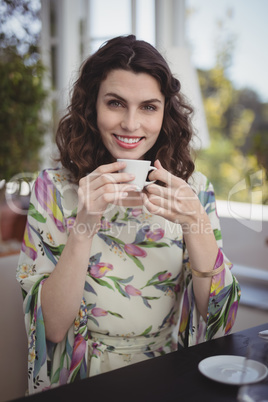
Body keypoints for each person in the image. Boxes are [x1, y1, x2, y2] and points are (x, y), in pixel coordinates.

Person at [16, 34, 240, 394]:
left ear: (166, 111)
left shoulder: (193, 189)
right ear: (92, 107)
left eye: (149, 107)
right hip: (81, 378)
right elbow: (52, 328)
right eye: (116, 103)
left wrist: (195, 222)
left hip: (169, 374)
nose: (132, 124)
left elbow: (221, 319)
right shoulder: (53, 189)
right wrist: (85, 223)